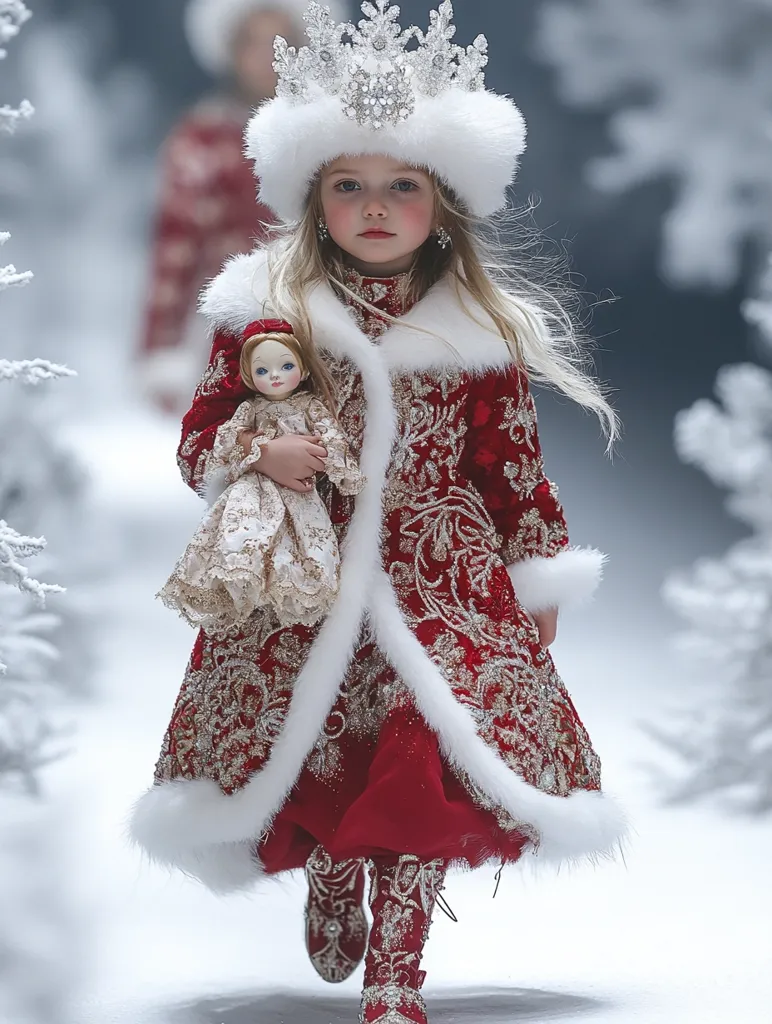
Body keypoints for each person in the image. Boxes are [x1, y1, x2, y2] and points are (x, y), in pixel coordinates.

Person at [131, 3, 628, 1022]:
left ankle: (398, 971)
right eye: (347, 185)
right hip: (304, 580)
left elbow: (513, 467)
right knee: (315, 745)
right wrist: (257, 452)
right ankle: (330, 863)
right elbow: (199, 438)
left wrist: (535, 571)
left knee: (427, 755)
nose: (374, 207)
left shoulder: (474, 330)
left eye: (402, 186)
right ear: (312, 202)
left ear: (442, 206)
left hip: (443, 581)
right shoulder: (267, 316)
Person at [137, 0, 346, 413]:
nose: (268, 55)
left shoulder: (333, 132)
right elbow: (175, 249)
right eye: (254, 42)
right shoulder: (203, 138)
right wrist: (161, 346)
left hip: (329, 329)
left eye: (280, 41)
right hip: (233, 334)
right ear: (231, 51)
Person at [157, 319, 364, 632]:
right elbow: (201, 445)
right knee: (247, 542)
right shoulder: (256, 313)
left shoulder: (309, 407)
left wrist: (341, 468)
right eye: (263, 370)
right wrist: (258, 451)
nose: (275, 376)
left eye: (285, 366)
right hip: (258, 495)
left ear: (302, 370)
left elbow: (331, 437)